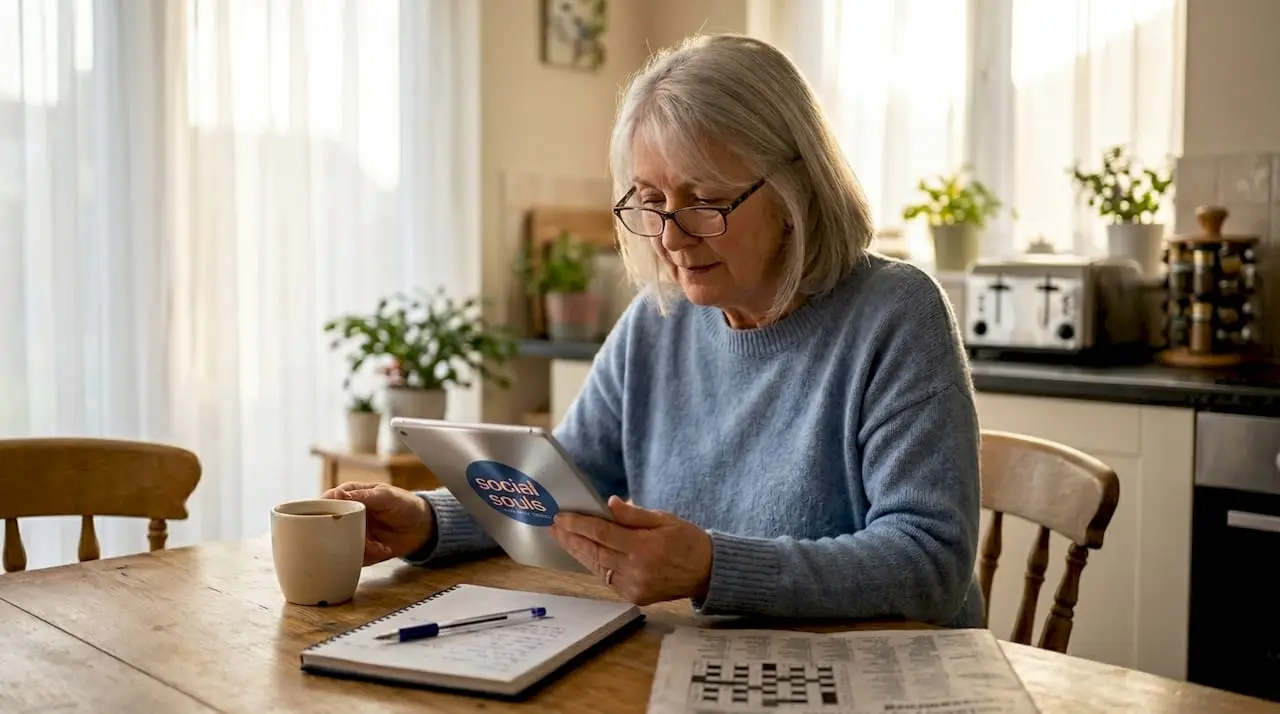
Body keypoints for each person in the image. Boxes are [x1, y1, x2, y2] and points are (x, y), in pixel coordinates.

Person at [323, 33, 983, 628]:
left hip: (888, 681)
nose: (670, 236)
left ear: (795, 192)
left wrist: (711, 567)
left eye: (703, 200)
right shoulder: (658, 321)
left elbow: (928, 561)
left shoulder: (896, 315)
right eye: (650, 200)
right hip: (710, 666)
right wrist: (428, 518)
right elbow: (561, 492)